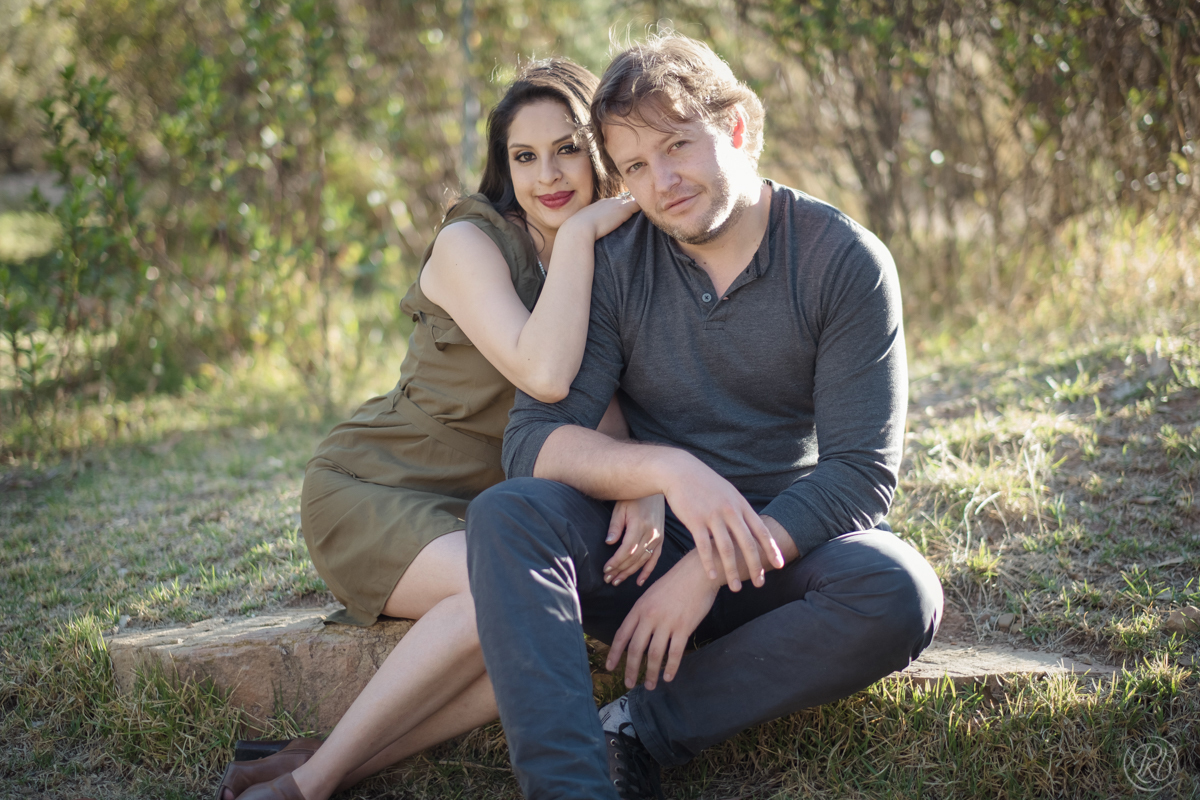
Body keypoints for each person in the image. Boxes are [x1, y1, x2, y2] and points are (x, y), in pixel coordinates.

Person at [465, 33, 945, 800]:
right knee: (509, 516)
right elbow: (530, 441)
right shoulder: (619, 262)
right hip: (640, 548)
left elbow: (862, 475)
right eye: (633, 167)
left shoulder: (842, 260)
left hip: (777, 547)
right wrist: (665, 469)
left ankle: (635, 729)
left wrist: (704, 573)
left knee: (898, 589)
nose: (662, 183)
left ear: (740, 130)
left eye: (677, 147)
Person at [216, 59, 656, 800]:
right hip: (372, 488)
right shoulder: (471, 244)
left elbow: (600, 400)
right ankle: (310, 787)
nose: (548, 173)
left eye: (569, 148)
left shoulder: (608, 255)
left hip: (479, 515)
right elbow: (545, 375)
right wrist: (580, 234)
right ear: (502, 164)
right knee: (513, 602)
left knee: (536, 628)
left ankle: (325, 759)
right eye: (525, 155)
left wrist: (641, 482)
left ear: (600, 152)